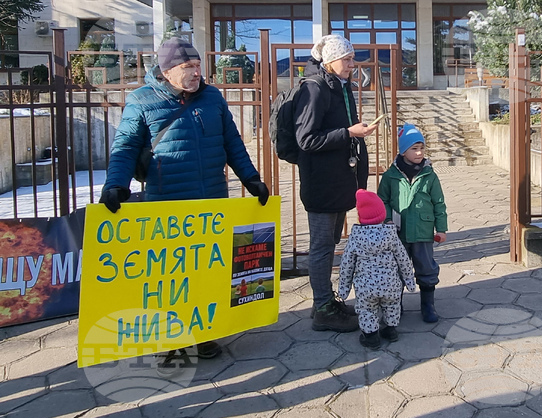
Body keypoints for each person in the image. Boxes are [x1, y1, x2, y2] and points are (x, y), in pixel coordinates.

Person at [100, 38, 269, 359]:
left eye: (197, 66)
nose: (196, 73)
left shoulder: (212, 97)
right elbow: (123, 148)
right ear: (166, 71)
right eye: (187, 67)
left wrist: (252, 179)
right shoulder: (141, 101)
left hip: (213, 203)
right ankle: (172, 337)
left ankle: (204, 332)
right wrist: (115, 185)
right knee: (173, 278)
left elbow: (232, 143)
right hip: (168, 205)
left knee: (207, 272)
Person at [295, 34, 376, 333]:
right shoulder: (314, 89)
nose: (353, 65)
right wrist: (349, 133)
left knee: (330, 244)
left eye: (353, 59)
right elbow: (306, 139)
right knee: (320, 247)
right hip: (321, 182)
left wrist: (353, 132)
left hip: (338, 180)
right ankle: (323, 309)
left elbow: (341, 129)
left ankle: (324, 301)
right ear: (329, 62)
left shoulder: (341, 87)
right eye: (348, 59)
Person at [377, 124, 448, 323]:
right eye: (413, 149)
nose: (419, 153)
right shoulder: (391, 176)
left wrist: (441, 228)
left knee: (426, 267)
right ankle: (394, 305)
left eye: (421, 148)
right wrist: (388, 218)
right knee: (397, 269)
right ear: (403, 151)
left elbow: (439, 203)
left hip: (423, 231)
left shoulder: (429, 175)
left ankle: (428, 305)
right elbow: (381, 200)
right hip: (397, 233)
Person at [338, 190, 417, 349]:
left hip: (366, 287)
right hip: (391, 284)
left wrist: (343, 289)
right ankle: (390, 331)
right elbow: (403, 259)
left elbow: (347, 264)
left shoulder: (356, 237)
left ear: (361, 217)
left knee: (367, 310)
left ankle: (371, 337)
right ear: (382, 214)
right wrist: (409, 281)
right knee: (392, 306)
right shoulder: (391, 235)